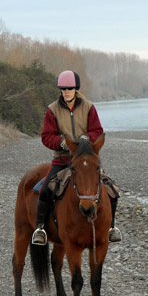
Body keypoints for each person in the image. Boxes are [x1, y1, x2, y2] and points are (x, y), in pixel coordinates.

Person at [31, 70, 122, 246]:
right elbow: (46, 136)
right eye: (63, 88)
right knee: (44, 191)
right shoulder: (52, 110)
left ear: (76, 89)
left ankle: (112, 227)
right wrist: (61, 142)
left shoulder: (88, 107)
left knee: (111, 189)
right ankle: (40, 228)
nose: (66, 92)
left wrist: (87, 137)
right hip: (62, 159)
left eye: (70, 88)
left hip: (86, 159)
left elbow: (97, 130)